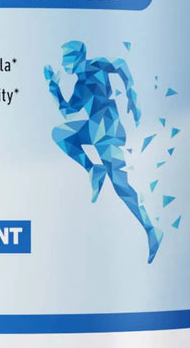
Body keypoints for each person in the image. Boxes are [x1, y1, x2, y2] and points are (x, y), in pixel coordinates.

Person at [44, 41, 163, 262]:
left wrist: (131, 96)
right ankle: (93, 169)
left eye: (67, 58)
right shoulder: (80, 84)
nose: (64, 63)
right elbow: (68, 112)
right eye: (63, 59)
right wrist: (53, 86)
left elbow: (121, 64)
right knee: (60, 134)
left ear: (78, 57)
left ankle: (151, 230)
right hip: (93, 129)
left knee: (121, 186)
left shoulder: (96, 66)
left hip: (107, 132)